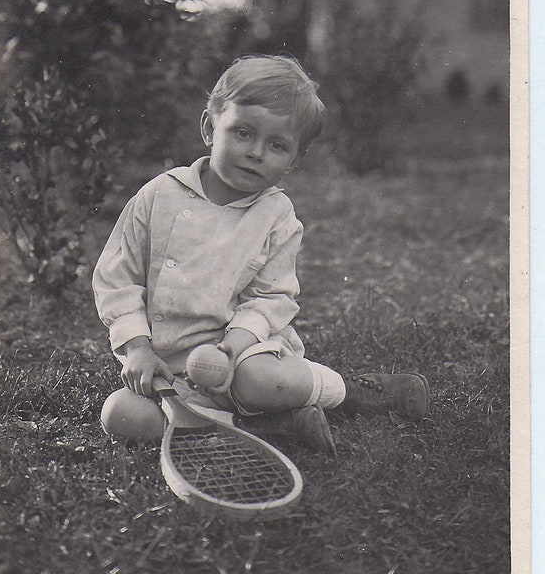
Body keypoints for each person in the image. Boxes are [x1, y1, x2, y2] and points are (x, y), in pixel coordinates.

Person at [93, 55, 429, 456]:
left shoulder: (276, 216)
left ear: (295, 160)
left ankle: (353, 391)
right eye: (242, 133)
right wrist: (137, 349)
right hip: (164, 369)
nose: (255, 153)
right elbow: (117, 278)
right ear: (209, 128)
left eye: (277, 145)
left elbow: (270, 298)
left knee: (262, 382)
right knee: (121, 415)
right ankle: (274, 426)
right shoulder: (158, 196)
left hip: (240, 357)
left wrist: (233, 348)